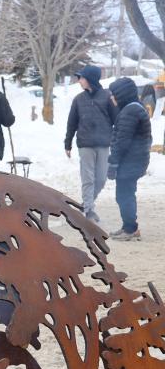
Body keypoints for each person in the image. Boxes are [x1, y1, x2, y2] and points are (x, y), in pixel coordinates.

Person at [64, 65, 115, 223]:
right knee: (88, 179)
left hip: (103, 144)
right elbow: (72, 123)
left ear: (90, 79)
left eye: (82, 78)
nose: (79, 80)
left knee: (100, 179)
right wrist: (68, 143)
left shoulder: (107, 96)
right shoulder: (78, 99)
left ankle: (86, 204)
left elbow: (116, 120)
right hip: (85, 143)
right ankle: (89, 210)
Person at [107, 77, 152, 241]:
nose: (112, 98)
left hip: (129, 162)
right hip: (134, 160)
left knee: (124, 195)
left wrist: (113, 162)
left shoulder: (130, 111)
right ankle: (128, 226)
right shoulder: (135, 108)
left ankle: (131, 229)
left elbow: (122, 141)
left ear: (122, 94)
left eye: (114, 94)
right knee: (126, 194)